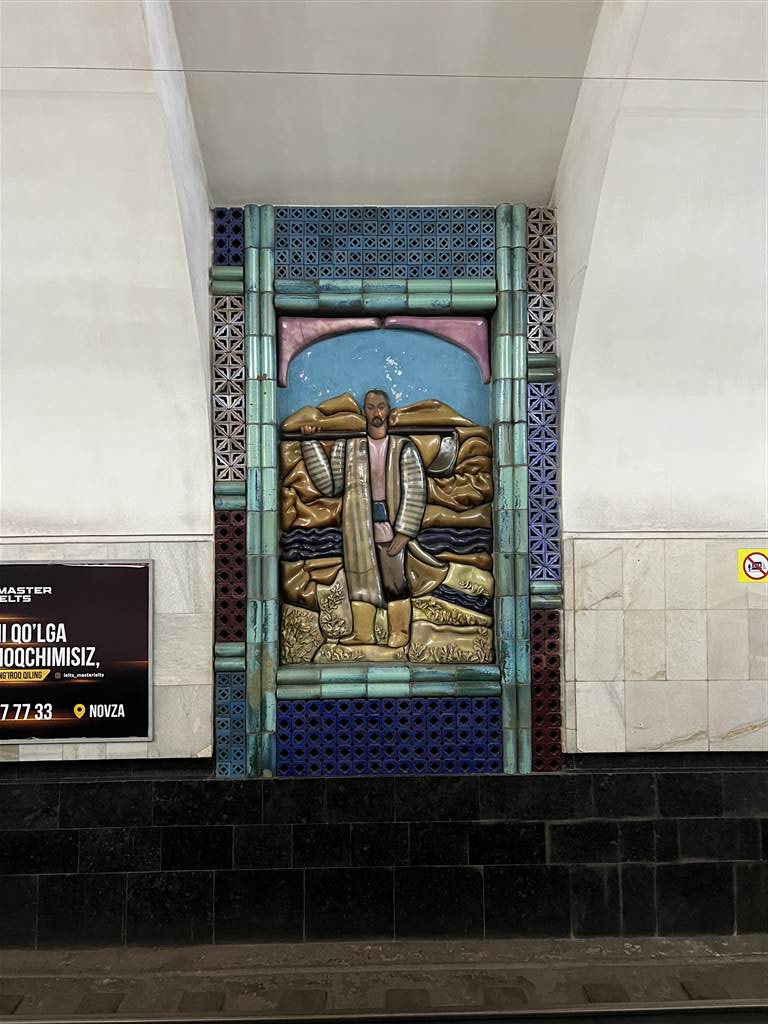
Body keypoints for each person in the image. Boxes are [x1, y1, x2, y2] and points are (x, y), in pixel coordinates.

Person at [301, 389, 426, 647]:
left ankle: (400, 632)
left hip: (392, 528)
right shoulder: (347, 446)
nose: (376, 412)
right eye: (370, 407)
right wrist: (310, 443)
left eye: (380, 406)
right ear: (363, 411)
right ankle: (363, 633)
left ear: (388, 409)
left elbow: (415, 489)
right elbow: (330, 486)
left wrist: (405, 531)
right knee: (359, 580)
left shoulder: (403, 447)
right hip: (358, 526)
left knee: (395, 581)